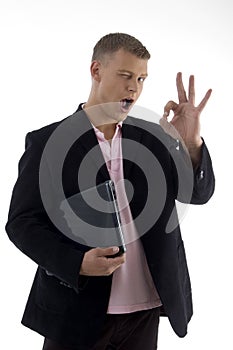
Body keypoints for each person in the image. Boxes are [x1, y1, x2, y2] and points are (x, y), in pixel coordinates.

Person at [5, 33, 215, 350]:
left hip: (145, 308)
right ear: (96, 70)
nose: (135, 87)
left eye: (142, 78)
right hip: (76, 309)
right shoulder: (48, 143)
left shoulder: (154, 139)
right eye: (126, 75)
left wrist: (190, 144)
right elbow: (22, 222)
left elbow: (197, 194)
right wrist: (76, 262)